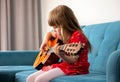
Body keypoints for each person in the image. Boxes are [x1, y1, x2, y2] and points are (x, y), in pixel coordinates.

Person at [26, 5, 91, 82]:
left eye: (56, 27)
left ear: (65, 24)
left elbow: (73, 60)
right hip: (64, 65)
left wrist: (61, 54)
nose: (54, 30)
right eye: (53, 27)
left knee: (39, 80)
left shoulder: (77, 35)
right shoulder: (61, 34)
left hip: (77, 68)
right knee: (29, 79)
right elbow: (49, 34)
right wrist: (45, 42)